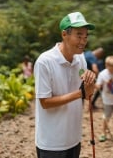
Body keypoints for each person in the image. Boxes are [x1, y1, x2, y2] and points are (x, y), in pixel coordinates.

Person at [34, 12, 96, 158]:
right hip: (51, 143)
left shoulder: (80, 59)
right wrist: (80, 93)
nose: (83, 41)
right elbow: (45, 102)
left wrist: (90, 82)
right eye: (79, 35)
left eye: (86, 36)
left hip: (74, 138)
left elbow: (87, 95)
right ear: (64, 34)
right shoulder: (45, 62)